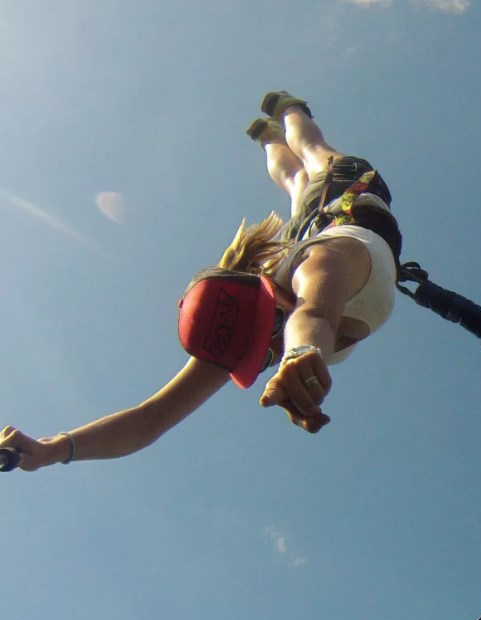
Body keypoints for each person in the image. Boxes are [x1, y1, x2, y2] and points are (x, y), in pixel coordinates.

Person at [1, 91, 401, 472]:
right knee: (295, 183)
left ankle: (289, 110)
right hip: (309, 225)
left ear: (270, 290)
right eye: (260, 347)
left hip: (347, 195)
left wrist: (299, 353)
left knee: (313, 157)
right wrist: (53, 449)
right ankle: (266, 140)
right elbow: (149, 420)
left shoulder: (319, 262)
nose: (269, 344)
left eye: (273, 324)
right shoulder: (238, 337)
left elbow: (315, 314)